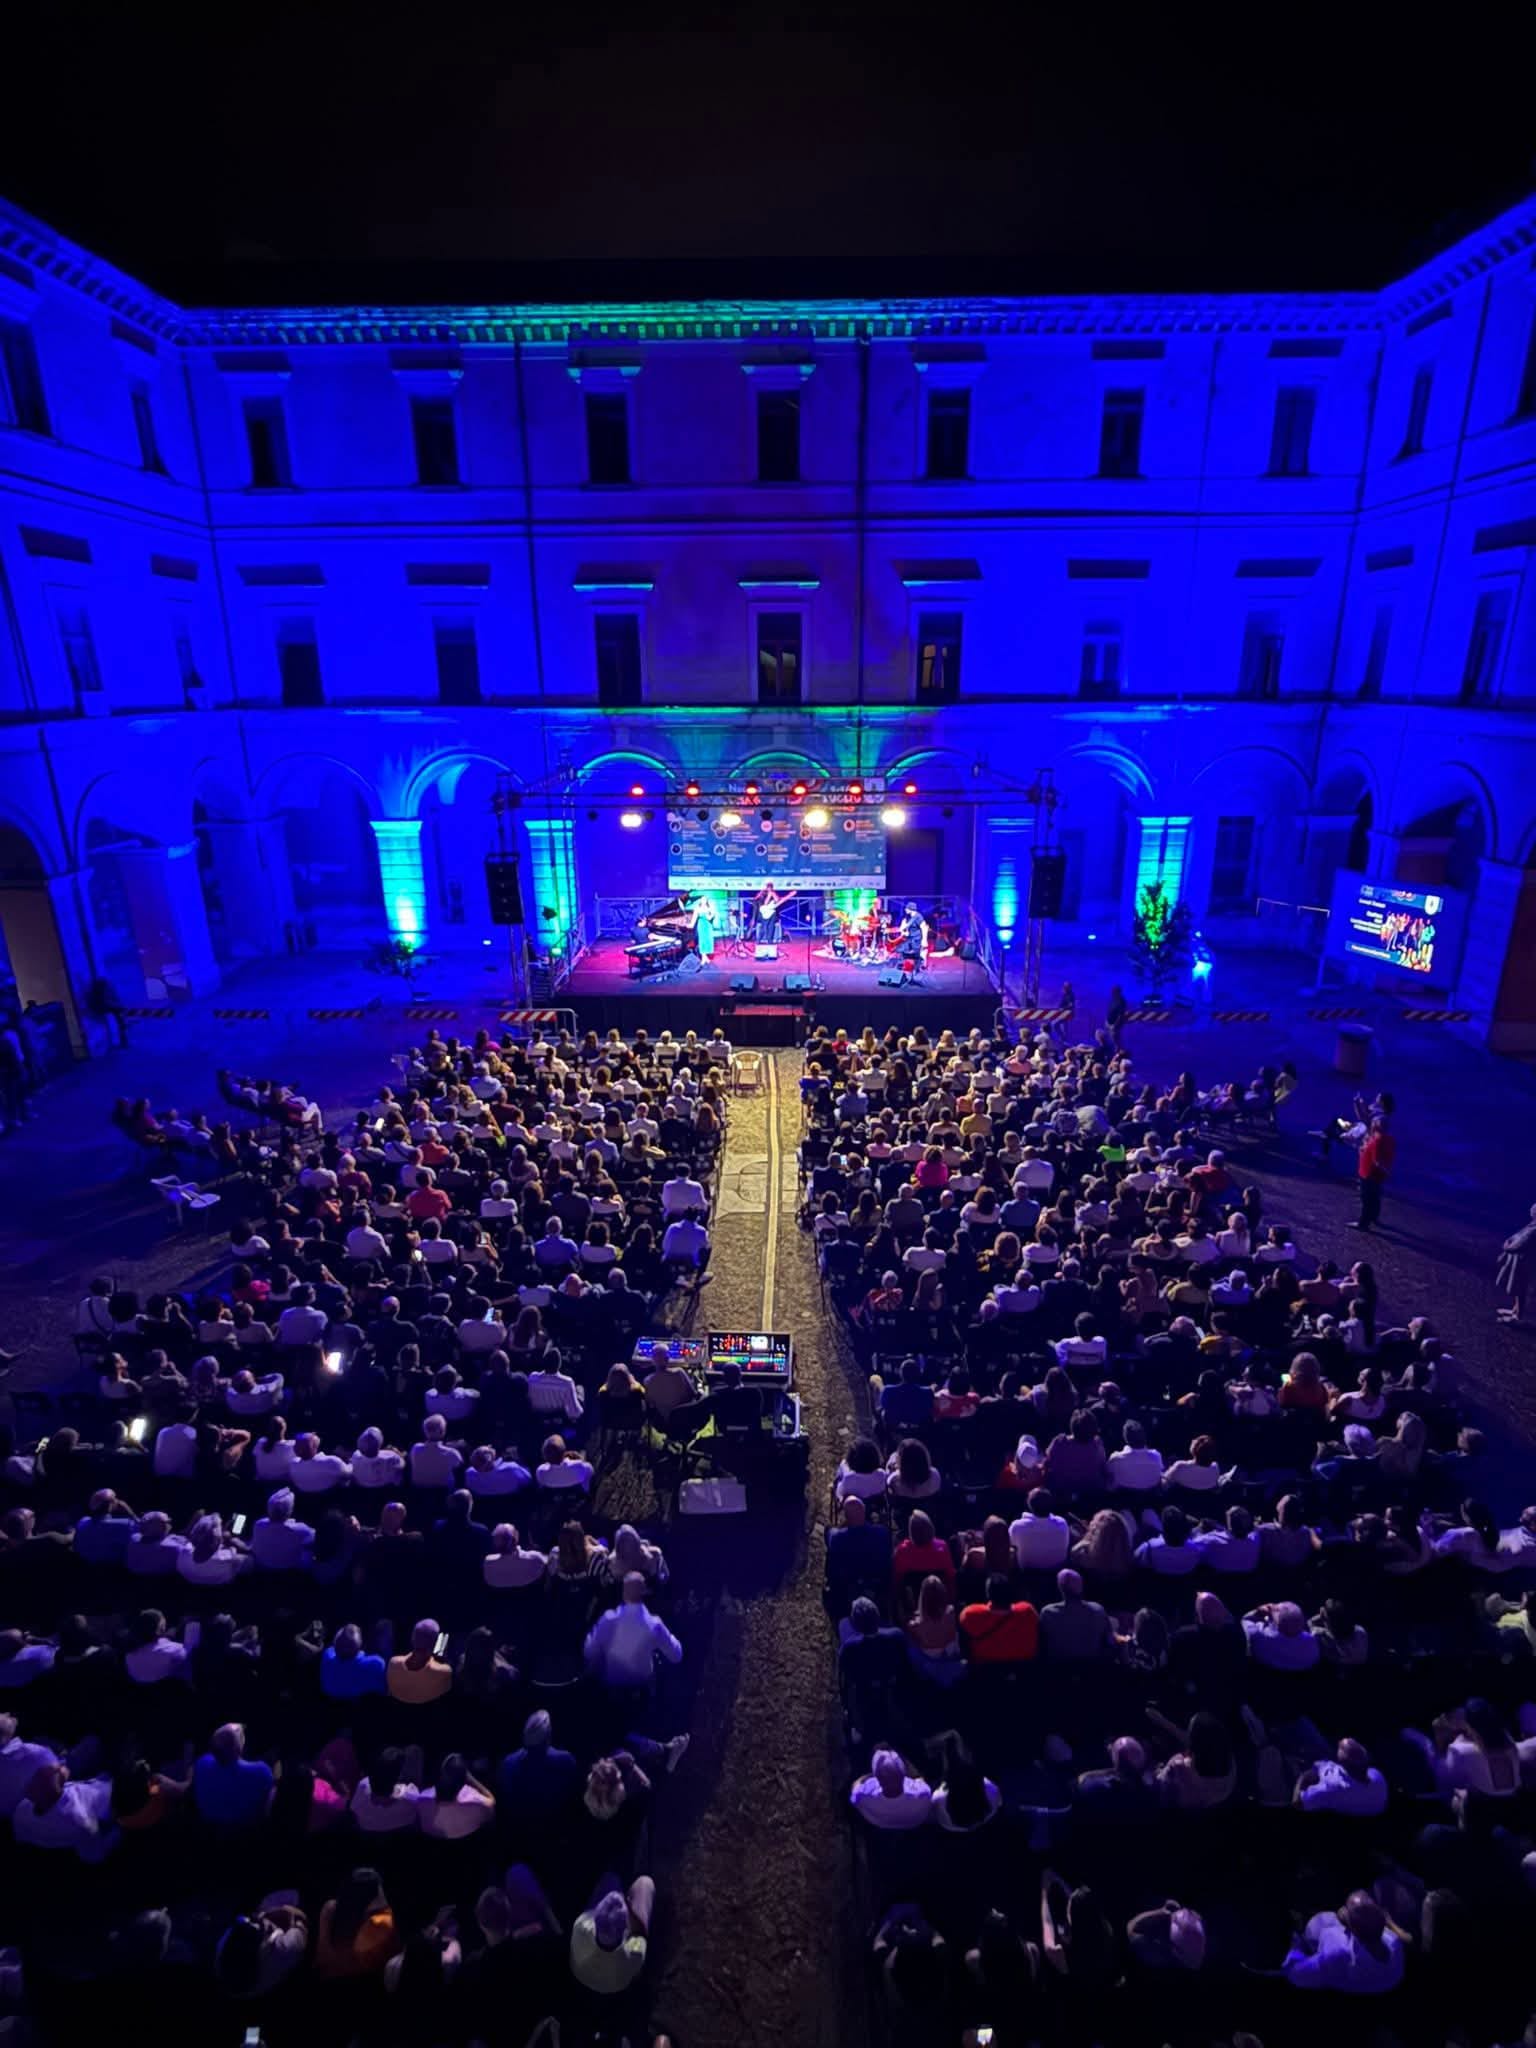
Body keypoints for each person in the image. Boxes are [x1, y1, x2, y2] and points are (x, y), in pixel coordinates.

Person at [1283, 1891, 1404, 1992]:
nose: (1343, 1910)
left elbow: (1297, 1974)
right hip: (1386, 1989)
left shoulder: (1337, 1951)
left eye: (1347, 1909)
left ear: (1353, 1929)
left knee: (1322, 1921)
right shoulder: (1394, 1941)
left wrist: (1296, 1944)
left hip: (1345, 1990)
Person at [584, 1572, 683, 1690]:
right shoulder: (654, 1624)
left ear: (624, 1593)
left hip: (612, 1693)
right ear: (644, 1592)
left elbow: (589, 1651)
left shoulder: (609, 1620)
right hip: (641, 1694)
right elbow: (676, 1655)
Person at [569, 1876, 655, 1996]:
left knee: (610, 1880)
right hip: (617, 1987)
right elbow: (639, 1935)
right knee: (645, 1882)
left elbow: (588, 1915)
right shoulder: (634, 1953)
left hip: (580, 1976)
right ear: (626, 1927)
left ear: (596, 1919)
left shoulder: (580, 1927)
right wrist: (628, 1908)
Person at [193, 1722, 274, 1828]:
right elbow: (267, 1812)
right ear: (240, 1745)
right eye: (240, 1733)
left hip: (208, 1832)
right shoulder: (261, 1770)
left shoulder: (202, 1763)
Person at [1039, 1568, 1113, 1662]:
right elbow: (1109, 1643)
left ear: (1060, 1587)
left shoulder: (1047, 1613)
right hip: (1092, 1671)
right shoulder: (1097, 1610)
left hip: (1058, 1671)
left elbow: (1041, 1646)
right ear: (1081, 1586)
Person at [850, 1748, 933, 1829]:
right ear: (904, 1773)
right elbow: (920, 1780)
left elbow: (855, 1785)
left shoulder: (862, 1795)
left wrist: (871, 1775)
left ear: (877, 1778)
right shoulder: (922, 1793)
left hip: (879, 1826)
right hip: (914, 1824)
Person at [387, 1618, 454, 1705]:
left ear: (412, 1638)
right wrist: (441, 1658)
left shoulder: (393, 1664)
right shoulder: (444, 1672)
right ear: (435, 1643)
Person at [1350, 1116, 1395, 1232]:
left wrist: (1386, 1171)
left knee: (1366, 1199)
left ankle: (1363, 1223)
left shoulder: (1377, 1140)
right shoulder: (1388, 1139)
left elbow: (1377, 1161)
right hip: (1376, 1176)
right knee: (1375, 1198)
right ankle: (1373, 1218)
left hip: (1369, 1175)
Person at [1496, 1201, 1536, 1324]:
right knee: (1518, 1288)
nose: (1531, 1212)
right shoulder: (1532, 1225)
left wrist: (1507, 1247)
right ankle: (1515, 1310)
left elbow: (1521, 1244)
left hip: (1524, 1262)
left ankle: (1517, 1316)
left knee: (1519, 1288)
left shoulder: (1534, 1229)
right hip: (1521, 1261)